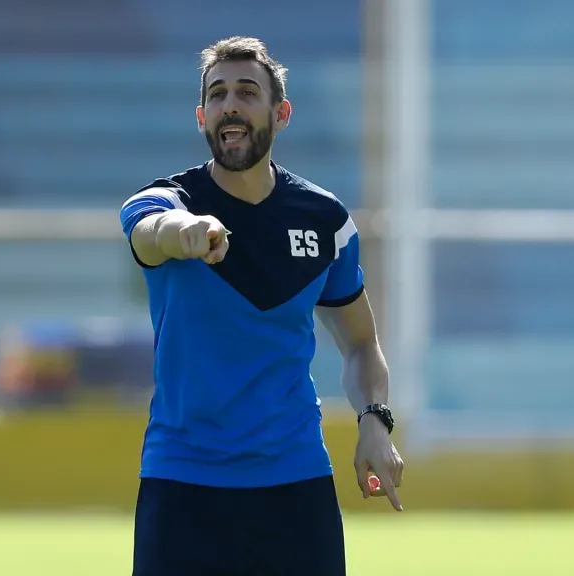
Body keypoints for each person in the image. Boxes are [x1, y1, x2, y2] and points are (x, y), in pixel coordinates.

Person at [119, 36, 405, 576]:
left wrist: (374, 420)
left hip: (295, 485)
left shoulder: (326, 221)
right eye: (218, 93)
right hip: (182, 484)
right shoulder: (166, 201)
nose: (231, 104)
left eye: (248, 92)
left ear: (282, 112)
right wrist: (191, 232)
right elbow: (149, 234)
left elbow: (361, 342)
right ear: (202, 116)